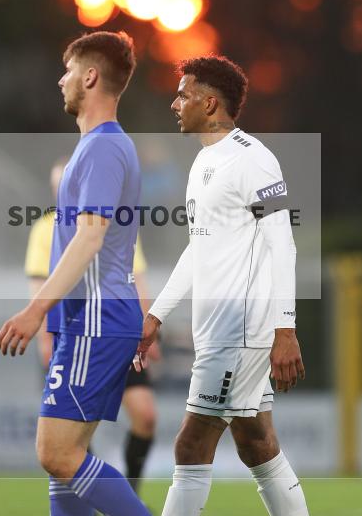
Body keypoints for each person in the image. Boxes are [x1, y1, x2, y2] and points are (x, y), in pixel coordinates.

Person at [135, 56, 310, 516]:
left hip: (241, 329)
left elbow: (282, 244)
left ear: (210, 103)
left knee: (191, 444)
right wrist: (156, 314)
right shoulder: (203, 162)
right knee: (255, 443)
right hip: (221, 328)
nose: (175, 102)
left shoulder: (252, 159)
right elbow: (199, 250)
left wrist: (285, 329)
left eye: (184, 93)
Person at [0, 31, 150, 516]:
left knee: (57, 453)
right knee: (66, 459)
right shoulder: (96, 147)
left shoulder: (103, 148)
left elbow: (90, 238)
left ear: (89, 76)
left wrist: (34, 310)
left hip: (97, 320)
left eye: (68, 70)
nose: (61, 79)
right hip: (92, 321)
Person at [25, 158, 160, 495]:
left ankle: (129, 492)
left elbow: (137, 278)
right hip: (74, 335)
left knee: (146, 416)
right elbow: (40, 283)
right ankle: (100, 498)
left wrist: (148, 324)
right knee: (71, 438)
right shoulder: (45, 228)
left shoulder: (118, 224)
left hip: (117, 331)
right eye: (59, 187)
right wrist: (45, 336)